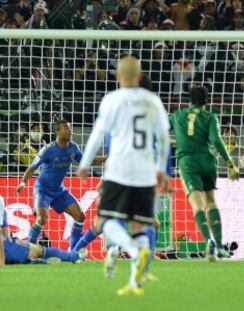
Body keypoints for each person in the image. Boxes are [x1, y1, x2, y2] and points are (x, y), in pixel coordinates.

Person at [77, 56, 170, 297]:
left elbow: (97, 135)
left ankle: (129, 248)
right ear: (139, 76)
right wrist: (162, 170)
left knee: (105, 221)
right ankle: (134, 281)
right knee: (140, 224)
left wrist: (85, 164)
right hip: (146, 172)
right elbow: (163, 140)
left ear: (117, 76)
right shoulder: (153, 101)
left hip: (118, 170)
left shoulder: (112, 100)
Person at [169, 86, 239, 261]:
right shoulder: (210, 117)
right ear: (206, 102)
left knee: (197, 206)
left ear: (189, 100)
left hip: (188, 163)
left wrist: (178, 142)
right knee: (211, 202)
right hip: (208, 161)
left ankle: (210, 242)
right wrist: (230, 164)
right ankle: (221, 247)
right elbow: (216, 140)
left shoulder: (177, 115)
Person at [14, 120, 106, 250]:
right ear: (57, 132)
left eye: (70, 128)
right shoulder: (48, 150)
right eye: (66, 129)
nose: (70, 131)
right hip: (42, 190)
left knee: (80, 217)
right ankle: (29, 251)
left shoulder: (73, 148)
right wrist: (23, 183)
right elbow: (32, 168)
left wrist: (105, 158)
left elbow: (86, 161)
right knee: (41, 219)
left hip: (59, 191)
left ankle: (73, 252)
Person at [0, 195, 84, 265]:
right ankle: (74, 256)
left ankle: (38, 262)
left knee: (25, 255)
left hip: (7, 250)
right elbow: (4, 234)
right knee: (40, 250)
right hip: (6, 250)